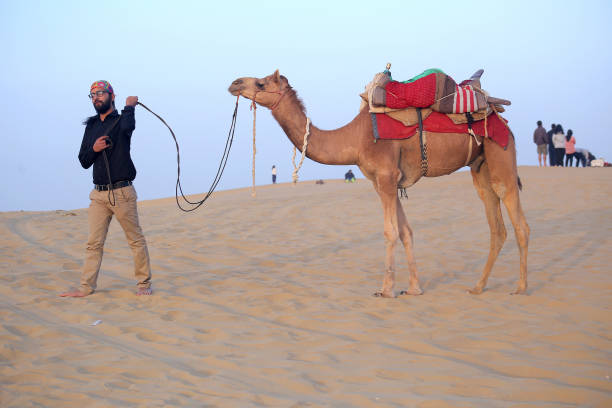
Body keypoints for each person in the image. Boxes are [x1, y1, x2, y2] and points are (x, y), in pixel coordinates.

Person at [60, 80, 152, 297]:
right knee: (93, 244)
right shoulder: (91, 126)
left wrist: (129, 107)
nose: (96, 98)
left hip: (122, 192)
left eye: (101, 93)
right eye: (92, 95)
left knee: (135, 239)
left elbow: (129, 129)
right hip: (98, 194)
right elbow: (83, 160)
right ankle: (85, 287)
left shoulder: (122, 119)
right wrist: (94, 148)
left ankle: (143, 284)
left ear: (112, 95)